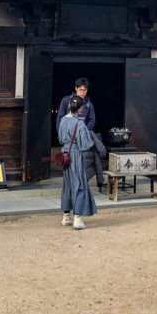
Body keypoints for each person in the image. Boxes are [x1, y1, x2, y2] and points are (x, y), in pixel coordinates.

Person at [55, 77, 103, 191]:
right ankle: (74, 190)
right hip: (69, 139)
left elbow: (92, 120)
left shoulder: (88, 104)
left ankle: (81, 187)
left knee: (84, 165)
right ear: (75, 88)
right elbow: (59, 118)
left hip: (83, 138)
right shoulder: (66, 100)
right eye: (81, 90)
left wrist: (83, 131)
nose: (83, 92)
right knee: (69, 166)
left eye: (85, 90)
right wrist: (61, 134)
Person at [58, 94, 97, 230]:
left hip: (65, 154)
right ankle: (78, 218)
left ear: (69, 105)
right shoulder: (79, 123)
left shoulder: (62, 120)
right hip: (75, 155)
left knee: (67, 184)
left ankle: (66, 216)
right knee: (79, 183)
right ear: (81, 108)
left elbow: (60, 138)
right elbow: (86, 144)